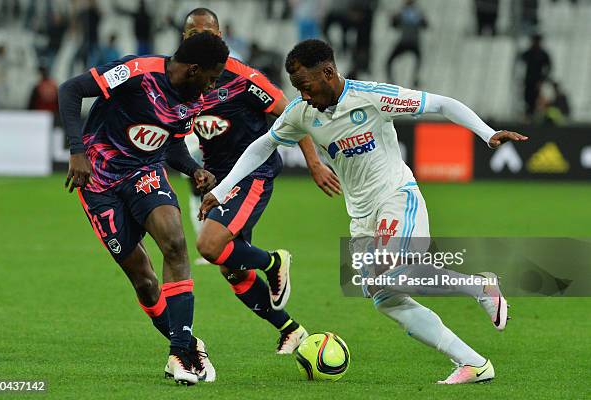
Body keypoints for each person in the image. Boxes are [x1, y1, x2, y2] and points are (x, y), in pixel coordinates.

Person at [200, 39, 528, 384]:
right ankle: (473, 363)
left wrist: (487, 133)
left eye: (306, 86)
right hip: (361, 216)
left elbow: (442, 104)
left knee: (391, 274)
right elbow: (263, 144)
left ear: (328, 72)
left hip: (397, 197)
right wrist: (222, 191)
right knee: (384, 296)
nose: (303, 95)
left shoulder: (371, 96)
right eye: (297, 88)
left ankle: (479, 287)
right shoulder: (302, 112)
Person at [59, 32, 229, 385]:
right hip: (98, 180)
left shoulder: (192, 100)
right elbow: (70, 90)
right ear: (194, 69)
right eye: (211, 78)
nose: (212, 87)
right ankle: (185, 343)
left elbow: (171, 147)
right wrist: (77, 151)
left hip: (144, 173)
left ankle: (180, 352)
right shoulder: (135, 71)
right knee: (144, 279)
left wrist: (193, 169)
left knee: (175, 243)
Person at [182, 8, 340, 354]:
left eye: (207, 34)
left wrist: (314, 162)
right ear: (184, 40)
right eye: (193, 36)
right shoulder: (181, 78)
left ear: (220, 38)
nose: (201, 41)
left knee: (209, 246)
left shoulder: (243, 78)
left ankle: (273, 262)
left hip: (253, 173)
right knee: (232, 268)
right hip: (219, 178)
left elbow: (292, 114)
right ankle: (290, 329)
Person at [386, 0, 428, 87]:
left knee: (389, 61)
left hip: (406, 41)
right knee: (418, 60)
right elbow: (425, 25)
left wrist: (394, 19)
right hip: (412, 42)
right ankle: (414, 79)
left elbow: (394, 25)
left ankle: (393, 80)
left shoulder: (405, 12)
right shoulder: (417, 12)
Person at [519, 33, 551, 120]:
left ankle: (534, 115)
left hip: (537, 81)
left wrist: (543, 79)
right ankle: (528, 114)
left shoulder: (543, 54)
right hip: (528, 80)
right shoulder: (529, 53)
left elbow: (548, 67)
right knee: (527, 97)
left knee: (536, 98)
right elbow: (521, 61)